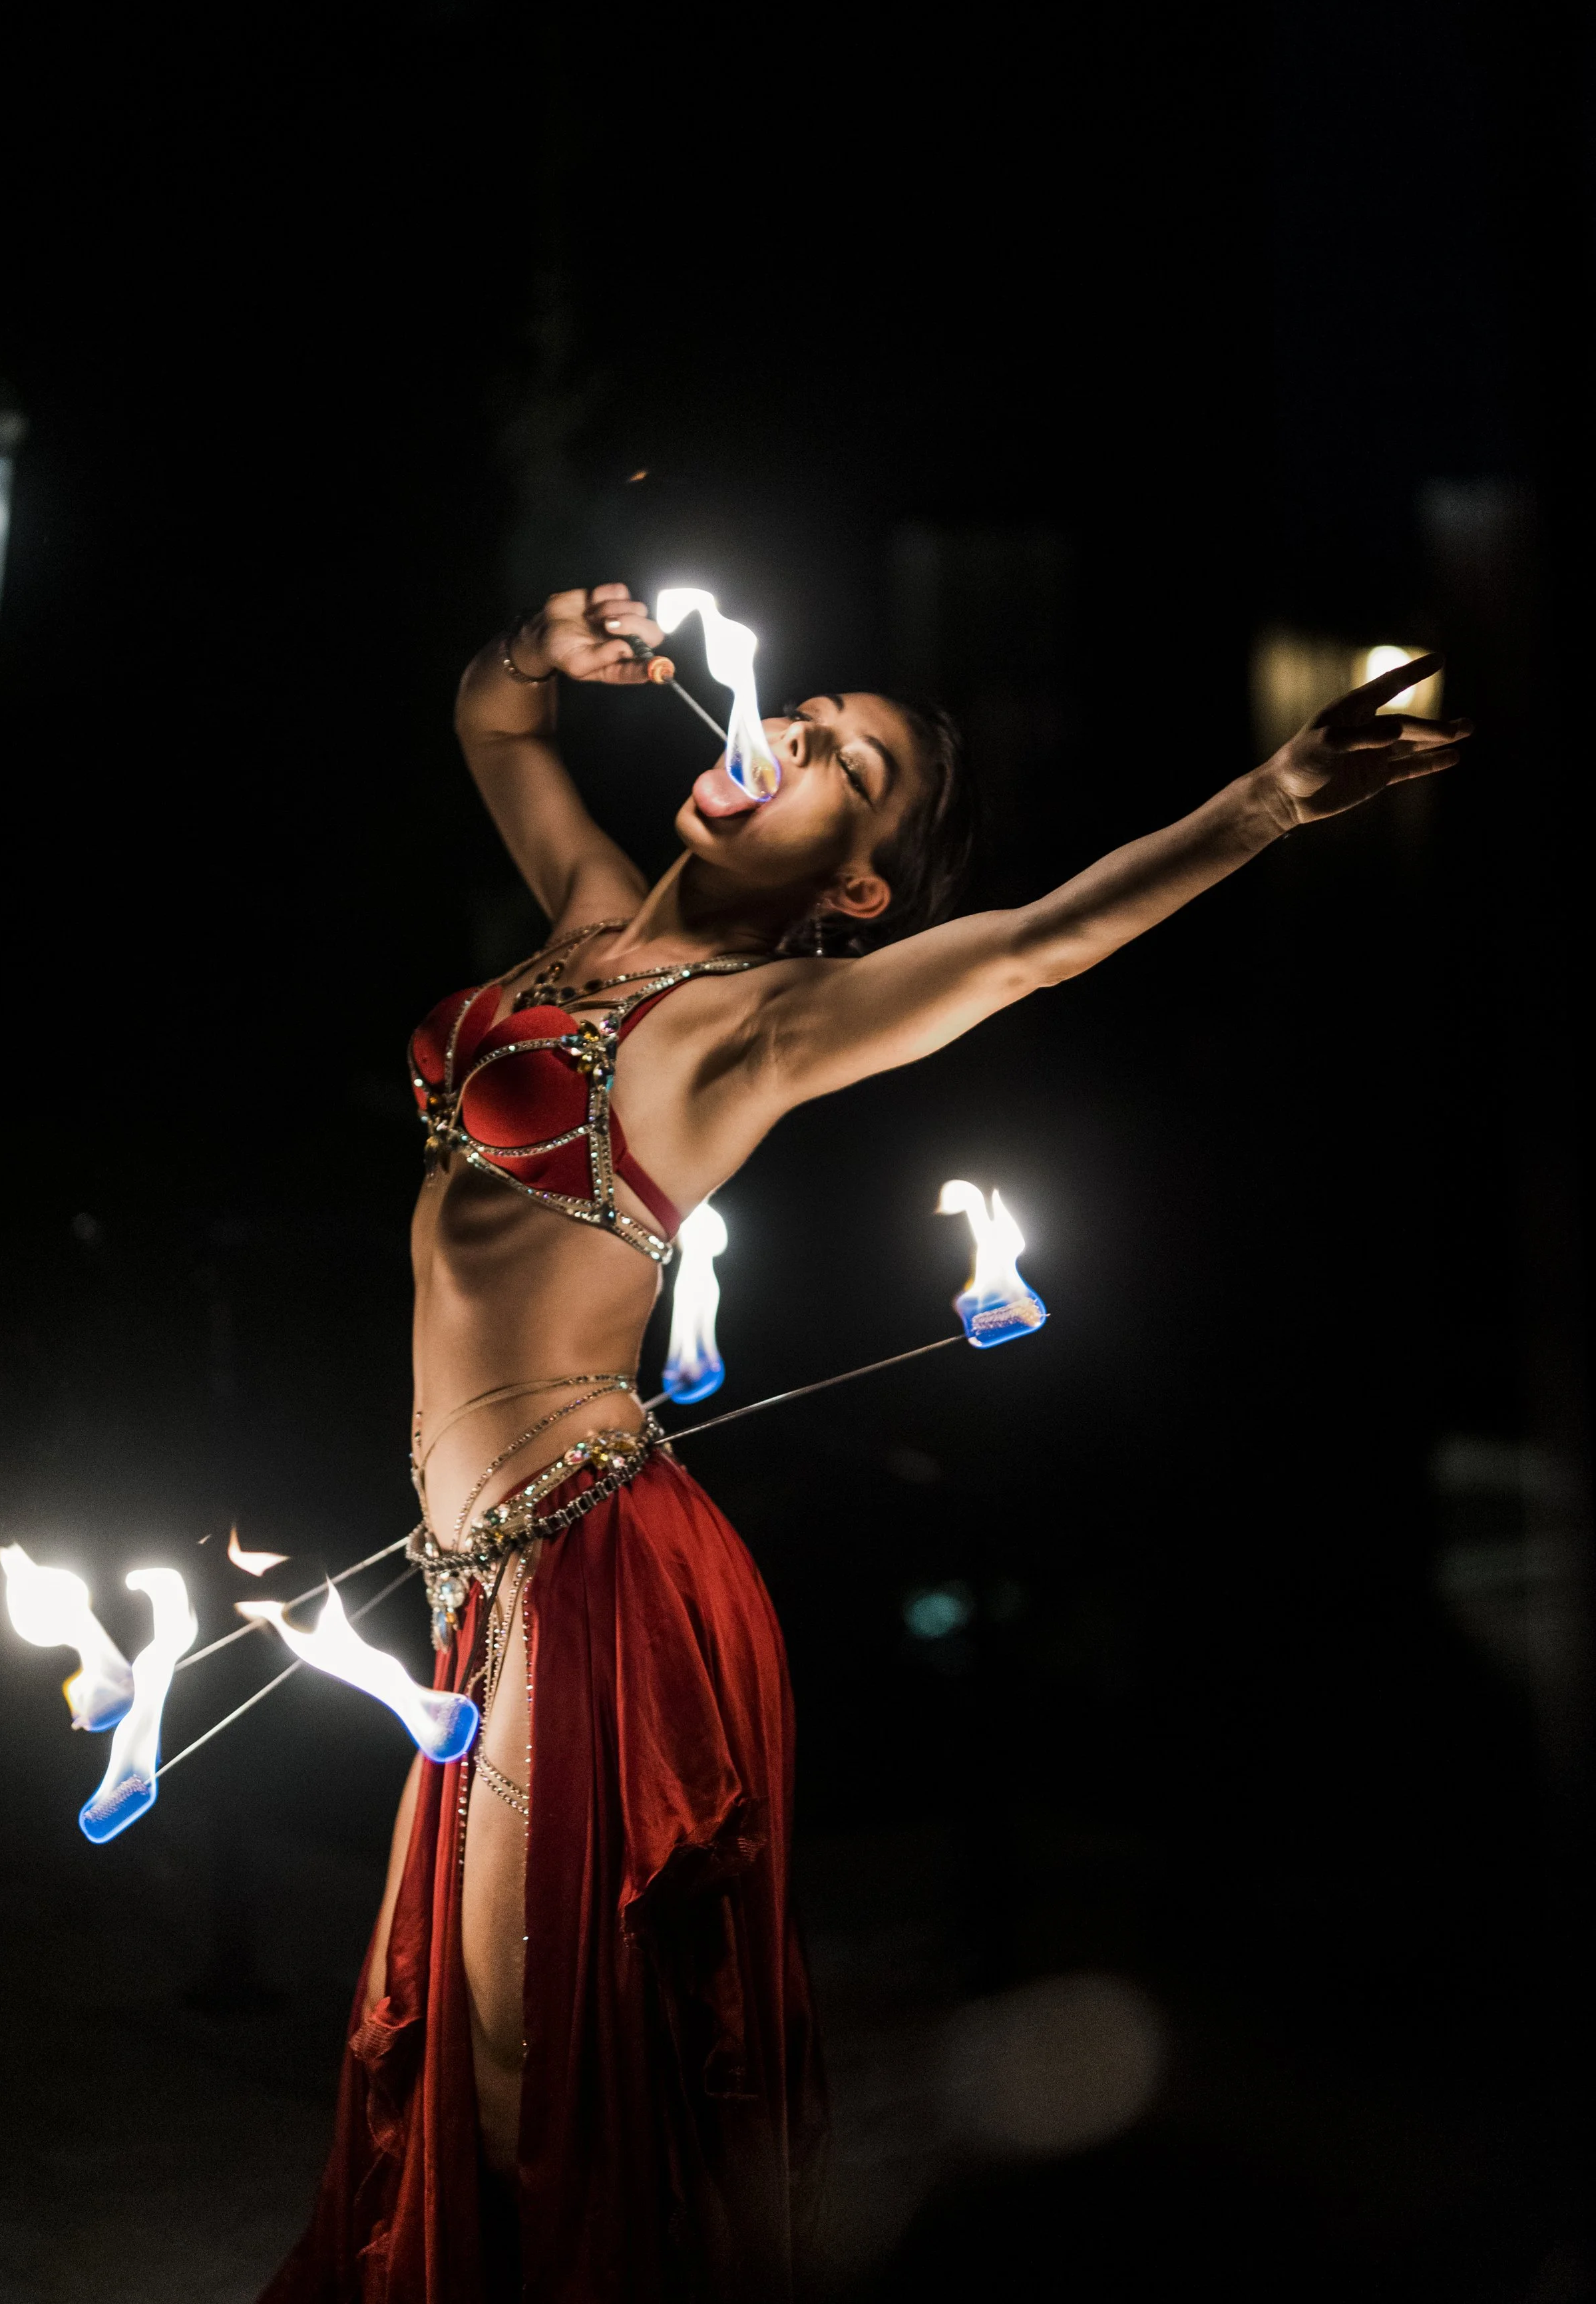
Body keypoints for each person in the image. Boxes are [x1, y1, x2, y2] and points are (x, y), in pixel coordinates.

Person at [263, 584, 1468, 2303]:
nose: (793, 737)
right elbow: (493, 726)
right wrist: (543, 651)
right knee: (472, 2056)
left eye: (848, 766)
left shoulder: (754, 1033)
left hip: (593, 1579)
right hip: (483, 1581)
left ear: (855, 887)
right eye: (805, 715)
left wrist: (1266, 800)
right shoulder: (594, 913)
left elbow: (1034, 943)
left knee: (533, 2076)